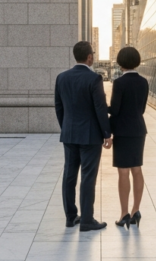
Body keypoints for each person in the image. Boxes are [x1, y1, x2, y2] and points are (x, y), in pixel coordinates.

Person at [54, 41, 112, 232]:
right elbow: (100, 108)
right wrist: (107, 133)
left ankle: (71, 218)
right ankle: (87, 220)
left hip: (69, 134)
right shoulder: (94, 79)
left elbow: (59, 107)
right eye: (93, 55)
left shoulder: (61, 78)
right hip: (90, 136)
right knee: (88, 177)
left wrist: (67, 128)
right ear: (89, 57)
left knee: (69, 175)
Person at [108, 46, 149, 228]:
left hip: (123, 132)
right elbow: (142, 109)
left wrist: (103, 109)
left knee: (123, 171)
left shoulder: (119, 83)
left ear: (121, 62)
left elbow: (115, 111)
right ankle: (136, 210)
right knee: (137, 169)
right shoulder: (144, 82)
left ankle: (124, 213)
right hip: (139, 130)